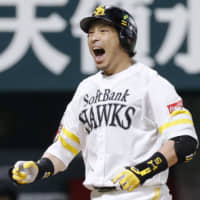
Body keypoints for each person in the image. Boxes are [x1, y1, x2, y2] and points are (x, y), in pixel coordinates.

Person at [9, 5, 198, 200]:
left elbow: (185, 142)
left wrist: (142, 171)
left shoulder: (151, 83)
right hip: (99, 195)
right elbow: (65, 146)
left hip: (144, 194)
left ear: (125, 37)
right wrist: (39, 168)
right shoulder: (86, 88)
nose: (94, 38)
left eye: (103, 31)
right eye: (90, 33)